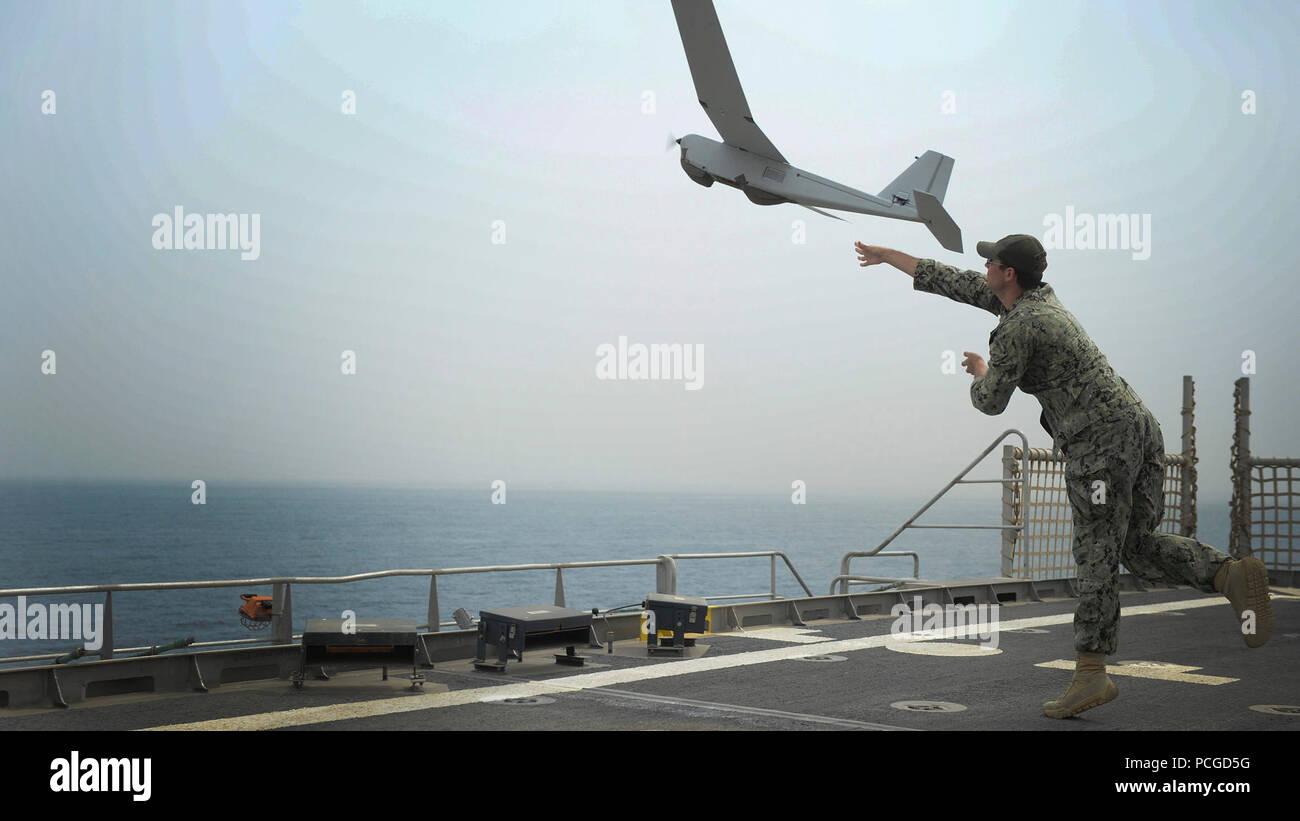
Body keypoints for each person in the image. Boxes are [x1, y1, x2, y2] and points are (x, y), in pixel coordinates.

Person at [853, 235, 1274, 718]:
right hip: (1139, 427)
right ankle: (1228, 573)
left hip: (1099, 443)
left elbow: (990, 401)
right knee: (1134, 545)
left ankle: (1090, 673)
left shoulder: (1020, 327)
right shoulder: (1037, 300)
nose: (984, 266)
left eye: (991, 261)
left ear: (1008, 273)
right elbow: (949, 280)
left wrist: (980, 372)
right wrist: (889, 257)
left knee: (1096, 552)